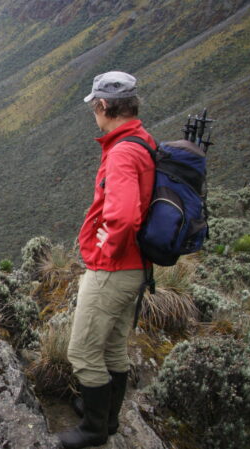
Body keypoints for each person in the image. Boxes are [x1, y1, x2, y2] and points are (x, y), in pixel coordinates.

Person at [58, 71, 155, 449]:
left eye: (94, 108)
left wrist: (105, 252)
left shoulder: (123, 152)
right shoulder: (141, 140)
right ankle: (108, 419)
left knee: (82, 352)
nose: (94, 115)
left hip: (115, 269)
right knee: (113, 346)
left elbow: (125, 216)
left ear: (103, 105)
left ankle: (93, 430)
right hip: (136, 267)